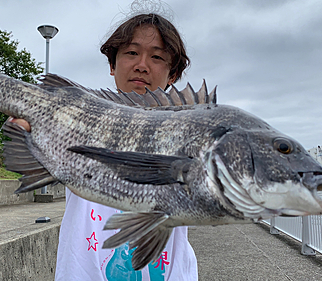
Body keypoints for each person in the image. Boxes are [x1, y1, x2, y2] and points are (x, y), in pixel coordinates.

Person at [12, 12, 197, 281]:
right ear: (112, 64)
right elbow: (31, 165)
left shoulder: (187, 132)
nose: (142, 65)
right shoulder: (78, 120)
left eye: (157, 57)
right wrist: (26, 133)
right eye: (131, 53)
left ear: (173, 74)